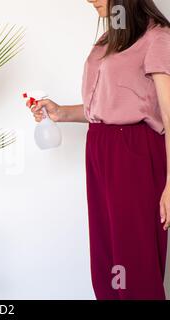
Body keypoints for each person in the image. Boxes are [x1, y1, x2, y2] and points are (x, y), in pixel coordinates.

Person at [29, 0, 170, 300]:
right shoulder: (108, 40)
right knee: (106, 260)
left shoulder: (157, 38)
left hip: (134, 153)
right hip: (100, 149)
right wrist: (61, 113)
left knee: (134, 262)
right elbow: (107, 106)